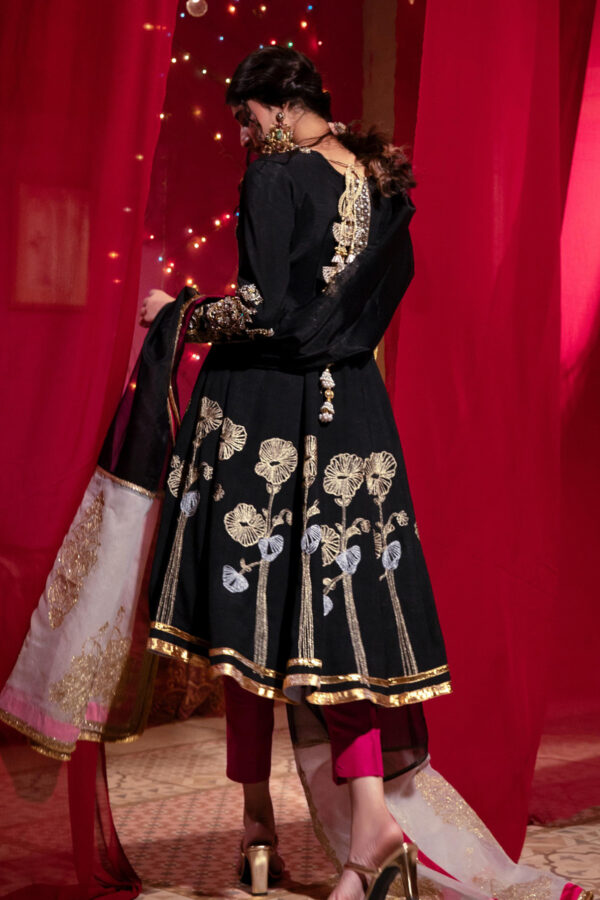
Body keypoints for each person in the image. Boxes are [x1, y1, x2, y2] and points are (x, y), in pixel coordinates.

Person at [0, 47, 593, 900]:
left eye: (247, 118)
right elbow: (360, 306)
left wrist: (180, 313)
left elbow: (261, 308)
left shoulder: (275, 175)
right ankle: (356, 826)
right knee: (334, 629)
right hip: (354, 420)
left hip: (262, 416)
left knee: (247, 626)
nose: (246, 135)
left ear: (280, 106)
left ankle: (263, 824)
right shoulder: (378, 180)